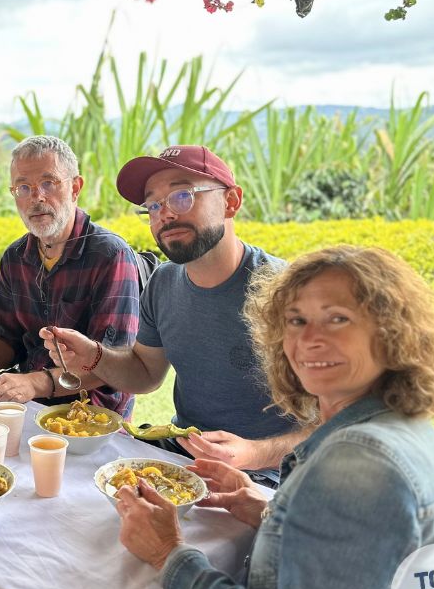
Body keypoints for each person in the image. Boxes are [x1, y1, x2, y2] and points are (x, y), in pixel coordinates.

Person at [115, 245, 434, 589]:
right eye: (296, 320)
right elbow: (367, 568)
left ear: (391, 331)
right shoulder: (398, 428)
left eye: (338, 318)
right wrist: (269, 514)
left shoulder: (361, 467)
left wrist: (169, 555)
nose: (309, 338)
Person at [42, 145, 299, 483]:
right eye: (153, 204)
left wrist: (252, 454)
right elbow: (146, 373)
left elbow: (342, 419)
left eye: (182, 196)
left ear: (231, 202)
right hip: (181, 455)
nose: (164, 214)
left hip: (269, 475)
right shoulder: (164, 281)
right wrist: (94, 356)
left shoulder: (287, 292)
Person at [0, 135, 140, 414]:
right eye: (23, 187)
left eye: (48, 183)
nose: (36, 197)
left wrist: (36, 382)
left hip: (93, 413)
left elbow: (113, 364)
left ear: (75, 187)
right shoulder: (15, 257)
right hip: (27, 403)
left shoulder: (110, 255)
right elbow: (7, 338)